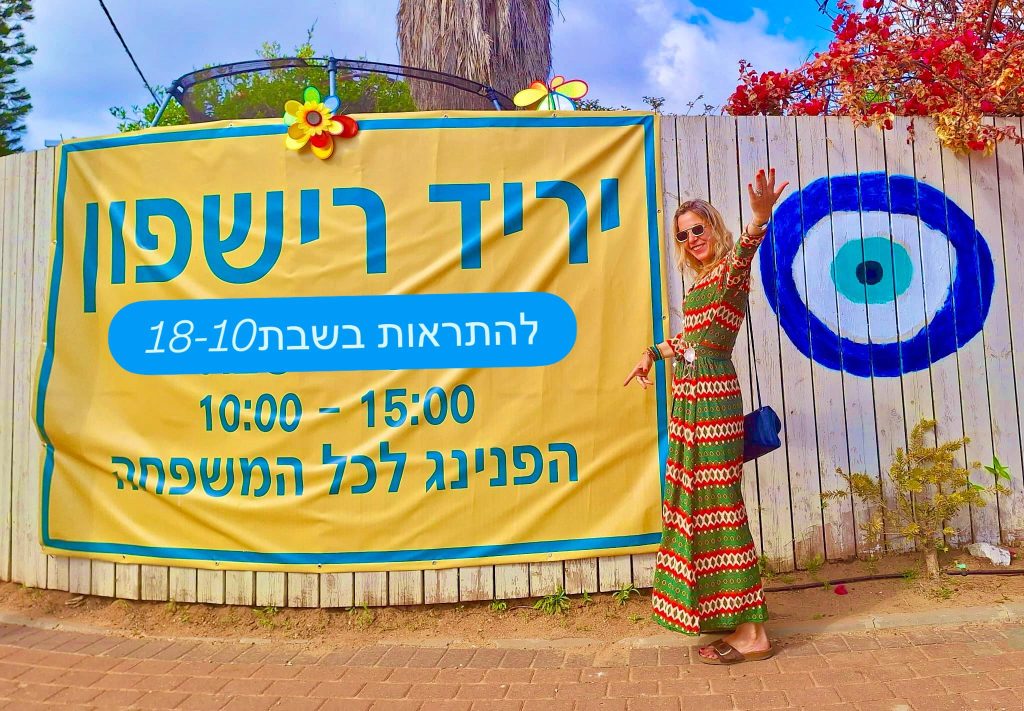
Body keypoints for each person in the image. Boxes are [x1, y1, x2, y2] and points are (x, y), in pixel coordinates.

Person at [623, 168, 789, 665]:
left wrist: (758, 220)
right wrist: (651, 354)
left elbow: (745, 253)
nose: (692, 239)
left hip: (713, 402)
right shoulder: (700, 284)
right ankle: (733, 619)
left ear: (714, 227)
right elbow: (689, 341)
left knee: (722, 505)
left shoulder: (729, 272)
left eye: (698, 229)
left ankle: (753, 633)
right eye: (683, 235)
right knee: (699, 505)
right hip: (691, 400)